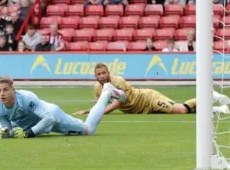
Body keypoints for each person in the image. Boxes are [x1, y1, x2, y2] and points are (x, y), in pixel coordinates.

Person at [73, 63, 230, 115]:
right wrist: (89, 111)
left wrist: (97, 113)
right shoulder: (97, 88)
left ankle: (208, 95)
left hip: (148, 99)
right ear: (95, 76)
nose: (101, 76)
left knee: (181, 110)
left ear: (108, 73)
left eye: (103, 73)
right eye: (98, 74)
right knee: (187, 111)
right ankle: (219, 109)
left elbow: (119, 103)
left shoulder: (118, 81)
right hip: (140, 110)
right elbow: (99, 104)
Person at [0, 76, 115, 138]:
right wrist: (6, 133)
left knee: (89, 130)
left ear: (13, 89)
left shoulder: (26, 97)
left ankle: (107, 93)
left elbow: (49, 118)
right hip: (34, 123)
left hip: (53, 117)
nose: (1, 94)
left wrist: (30, 132)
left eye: (5, 90)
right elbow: (8, 130)